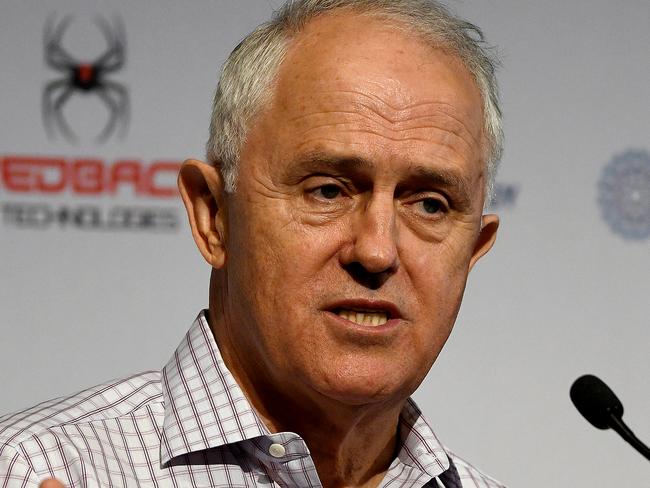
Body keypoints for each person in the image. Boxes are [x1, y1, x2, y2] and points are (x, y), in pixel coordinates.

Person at [0, 0, 505, 486]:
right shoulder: (36, 469)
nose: (376, 252)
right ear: (214, 215)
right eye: (327, 190)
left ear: (473, 249)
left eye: (430, 204)